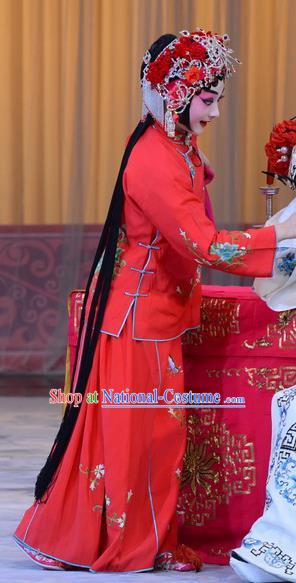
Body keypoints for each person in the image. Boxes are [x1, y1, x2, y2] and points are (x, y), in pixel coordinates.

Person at [12, 28, 296, 574]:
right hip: (135, 318)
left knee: (158, 432)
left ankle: (151, 538)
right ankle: (129, 545)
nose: (212, 113)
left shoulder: (173, 144)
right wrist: (280, 237)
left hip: (154, 312)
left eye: (216, 100)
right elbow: (204, 242)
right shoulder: (153, 157)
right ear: (175, 96)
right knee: (138, 434)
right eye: (207, 100)